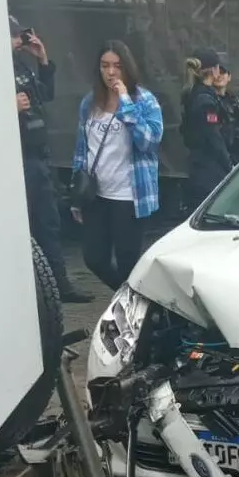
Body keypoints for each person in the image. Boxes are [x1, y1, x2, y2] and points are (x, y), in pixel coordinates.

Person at [10, 16, 92, 303]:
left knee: (48, 223)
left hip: (36, 156)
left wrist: (43, 61)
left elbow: (46, 94)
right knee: (20, 226)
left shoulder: (21, 67)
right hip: (13, 160)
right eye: (17, 38)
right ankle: (25, 289)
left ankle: (59, 285)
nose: (21, 42)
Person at [70, 40, 164, 292]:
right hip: (97, 194)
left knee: (128, 262)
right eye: (105, 66)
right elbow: (82, 149)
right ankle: (130, 299)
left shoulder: (145, 101)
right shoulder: (90, 102)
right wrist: (76, 193)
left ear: (127, 69)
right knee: (94, 257)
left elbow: (149, 141)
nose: (110, 72)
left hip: (129, 195)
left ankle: (132, 309)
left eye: (117, 66)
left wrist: (125, 103)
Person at [179, 48, 233, 210]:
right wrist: (229, 167)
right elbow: (213, 137)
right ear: (214, 70)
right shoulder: (204, 100)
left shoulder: (196, 94)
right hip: (209, 172)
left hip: (203, 169)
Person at [214, 65, 239, 166]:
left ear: (229, 77)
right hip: (218, 159)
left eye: (223, 72)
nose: (219, 76)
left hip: (234, 155)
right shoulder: (209, 101)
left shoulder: (233, 100)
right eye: (217, 72)